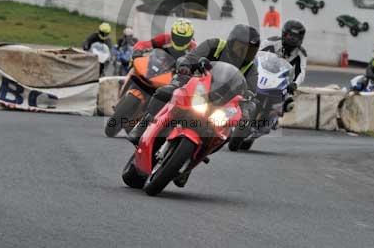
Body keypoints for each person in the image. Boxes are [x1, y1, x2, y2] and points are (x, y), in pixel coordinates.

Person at [127, 24, 261, 186]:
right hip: (195, 84)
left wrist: (247, 110)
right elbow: (190, 57)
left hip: (221, 103)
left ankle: (191, 163)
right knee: (166, 92)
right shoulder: (214, 45)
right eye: (241, 48)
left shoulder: (251, 68)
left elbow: (251, 95)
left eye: (249, 51)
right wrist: (184, 65)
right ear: (231, 42)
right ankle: (143, 125)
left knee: (226, 133)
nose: (244, 54)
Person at [260, 20, 307, 93]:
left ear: (300, 39)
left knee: (289, 102)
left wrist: (295, 84)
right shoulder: (271, 42)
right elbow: (256, 55)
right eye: (290, 35)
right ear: (284, 34)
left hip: (283, 82)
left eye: (295, 37)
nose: (292, 39)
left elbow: (301, 72)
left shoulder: (301, 53)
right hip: (263, 74)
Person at [132, 18, 196, 60]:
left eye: (183, 39)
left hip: (177, 74)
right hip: (158, 66)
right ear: (172, 33)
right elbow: (144, 44)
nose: (180, 40)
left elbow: (198, 60)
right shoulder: (165, 38)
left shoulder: (193, 46)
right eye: (177, 37)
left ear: (190, 37)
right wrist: (138, 50)